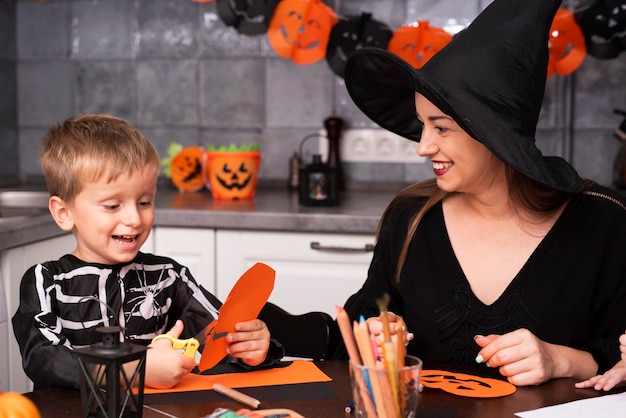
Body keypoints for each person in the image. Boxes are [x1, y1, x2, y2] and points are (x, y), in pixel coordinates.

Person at [332, 0, 626, 386]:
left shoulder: (604, 222)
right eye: (422, 125)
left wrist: (561, 360)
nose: (422, 147)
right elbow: (353, 332)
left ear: (493, 132)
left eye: (441, 128)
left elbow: (617, 359)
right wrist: (372, 334)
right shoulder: (411, 216)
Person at [12, 114, 282, 390]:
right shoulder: (45, 281)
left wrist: (255, 348)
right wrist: (133, 370)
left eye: (144, 202)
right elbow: (43, 360)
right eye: (113, 206)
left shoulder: (168, 276)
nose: (134, 219)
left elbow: (221, 334)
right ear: (64, 212)